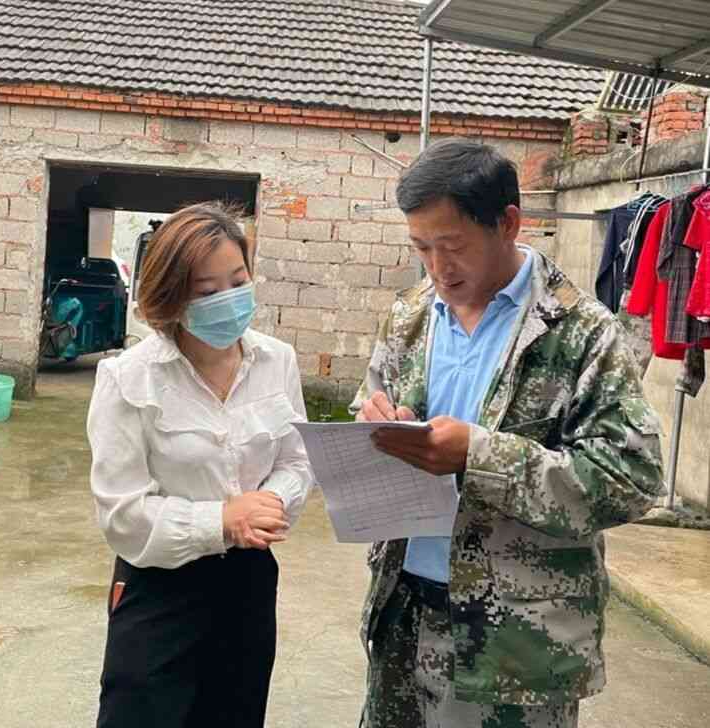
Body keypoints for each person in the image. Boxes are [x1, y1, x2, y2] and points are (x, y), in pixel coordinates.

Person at [352, 138, 663, 728]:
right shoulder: (410, 316)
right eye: (421, 248)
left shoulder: (580, 332)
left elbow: (631, 479)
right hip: (403, 610)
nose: (438, 268)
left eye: (453, 247)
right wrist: (375, 425)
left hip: (515, 641)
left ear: (509, 223)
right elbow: (371, 406)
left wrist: (479, 455)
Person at [87, 202, 314, 728]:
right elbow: (122, 514)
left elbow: (298, 459)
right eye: (208, 291)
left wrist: (274, 499)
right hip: (160, 586)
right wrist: (223, 520)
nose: (228, 299)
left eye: (238, 281)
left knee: (235, 713)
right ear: (171, 298)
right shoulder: (129, 379)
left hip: (248, 581)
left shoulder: (277, 361)